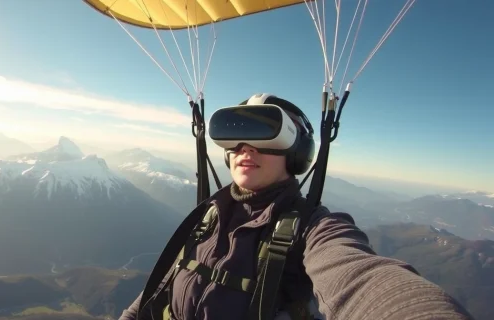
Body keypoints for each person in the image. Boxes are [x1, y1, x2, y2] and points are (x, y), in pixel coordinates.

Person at [119, 94, 474, 320]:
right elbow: (159, 288)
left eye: (267, 133)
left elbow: (360, 277)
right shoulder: (207, 216)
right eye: (237, 134)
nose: (246, 147)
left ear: (296, 151)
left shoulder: (312, 228)